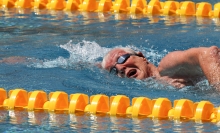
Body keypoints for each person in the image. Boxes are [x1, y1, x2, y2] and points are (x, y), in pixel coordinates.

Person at [101, 46, 220, 90]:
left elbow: (210, 53)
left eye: (121, 58)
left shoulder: (167, 68)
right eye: (113, 70)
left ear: (142, 57)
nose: (120, 67)